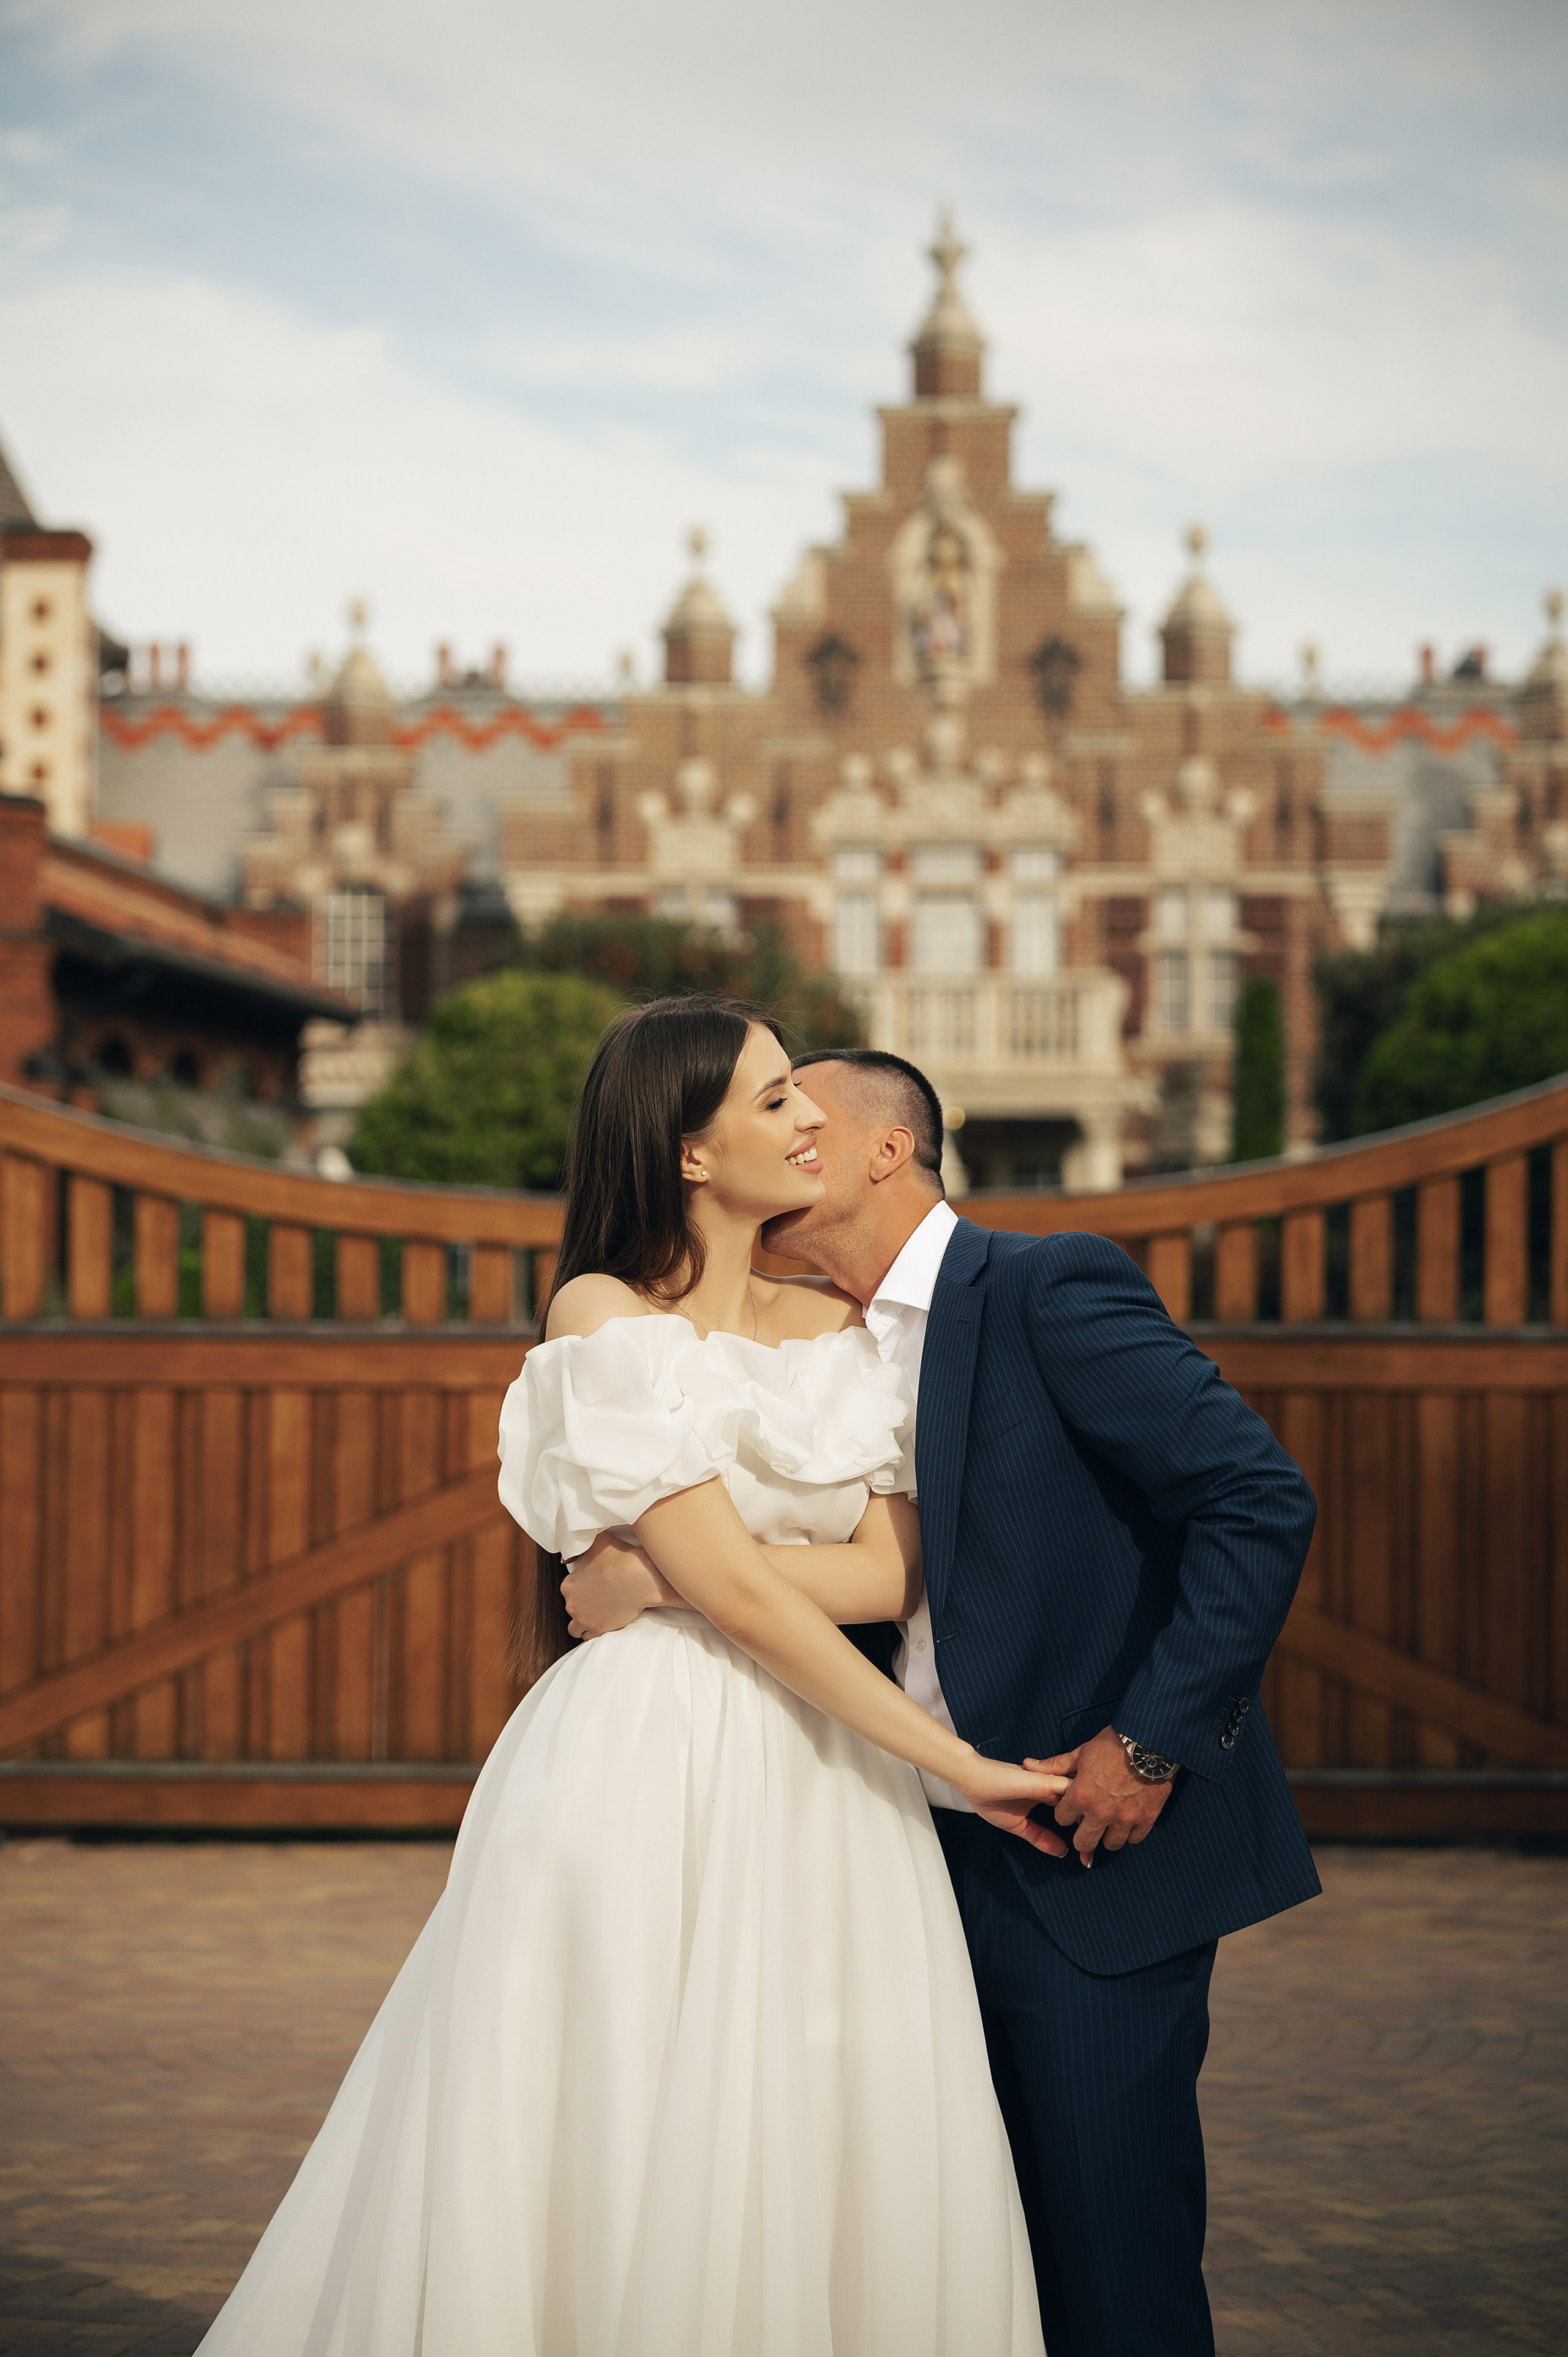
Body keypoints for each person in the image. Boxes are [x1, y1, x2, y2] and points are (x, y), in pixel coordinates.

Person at [195, 999, 1062, 2357]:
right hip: (644, 1760)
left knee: (811, 2102)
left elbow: (890, 1572)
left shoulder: (845, 1325)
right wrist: (944, 1756)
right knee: (600, 2094)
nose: (808, 1120)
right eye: (774, 1097)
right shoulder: (600, 1311)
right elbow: (743, 1582)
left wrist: (656, 1577)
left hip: (828, 1773)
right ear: (689, 1152)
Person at [568, 1044, 1322, 2357]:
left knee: (1106, 2262)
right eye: (773, 1113)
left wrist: (1146, 1745)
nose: (793, 1135)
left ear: (884, 1149)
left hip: (1077, 1849)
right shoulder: (806, 1339)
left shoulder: (1043, 1288)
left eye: (811, 1117)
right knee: (941, 2272)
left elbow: (1258, 1500)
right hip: (871, 1863)